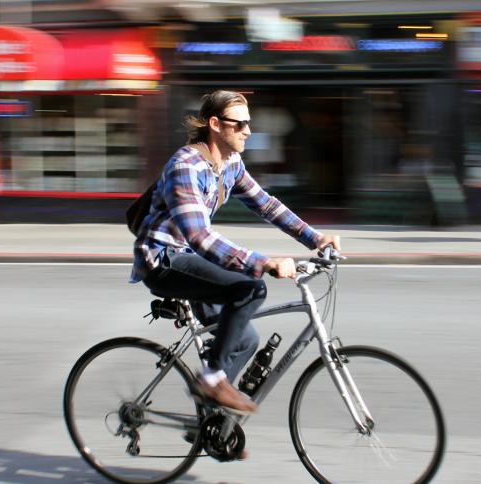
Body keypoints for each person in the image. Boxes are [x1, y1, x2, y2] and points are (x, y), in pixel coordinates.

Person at [130, 90, 340, 414]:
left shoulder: (230, 164)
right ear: (215, 124)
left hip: (189, 258)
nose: (248, 131)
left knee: (244, 340)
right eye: (240, 124)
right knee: (250, 288)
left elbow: (266, 204)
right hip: (162, 259)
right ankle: (212, 379)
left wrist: (315, 239)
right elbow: (199, 236)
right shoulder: (185, 166)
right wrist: (263, 263)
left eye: (249, 123)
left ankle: (212, 424)